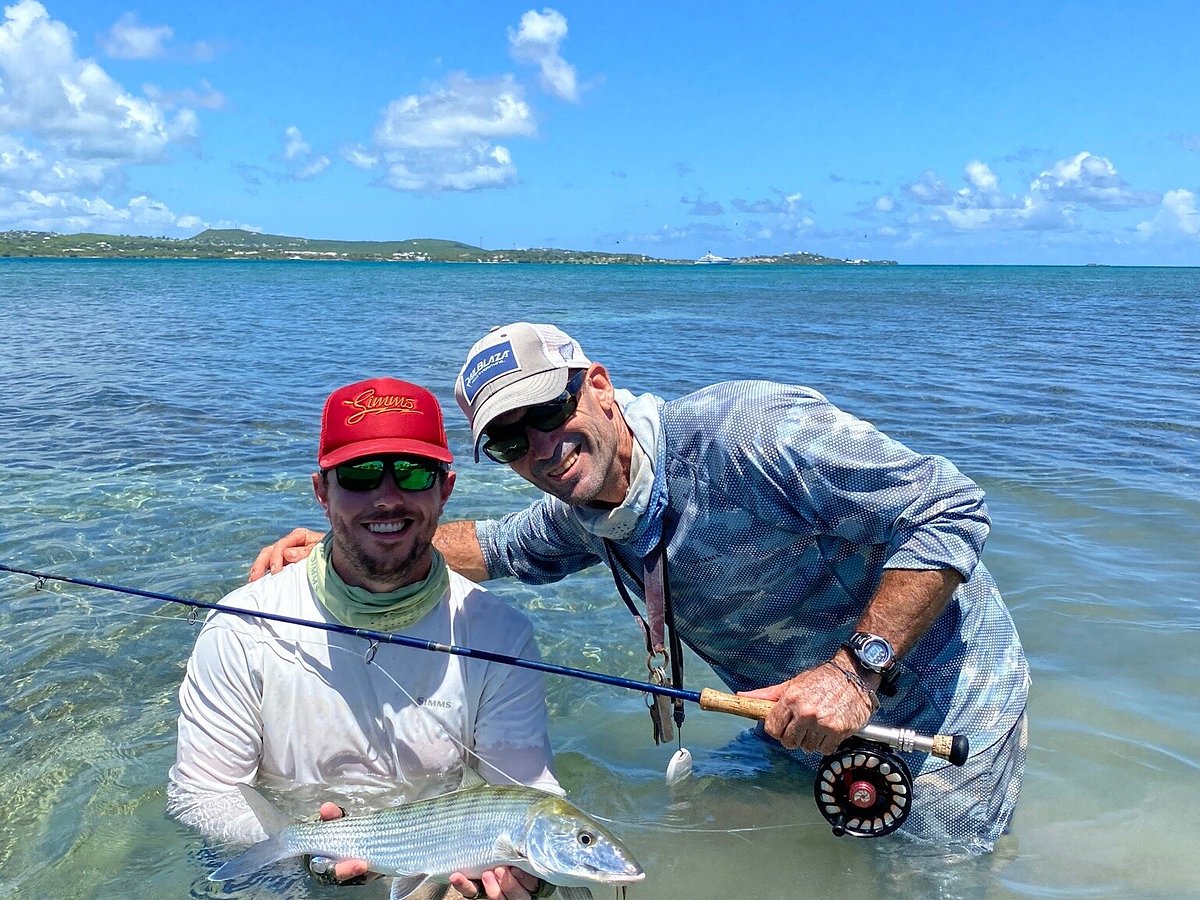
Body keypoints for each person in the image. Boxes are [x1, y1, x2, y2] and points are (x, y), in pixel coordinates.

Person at [252, 324, 1030, 854]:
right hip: (793, 725)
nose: (541, 447)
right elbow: (491, 546)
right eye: (510, 439)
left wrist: (853, 670)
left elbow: (949, 505)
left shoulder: (747, 432)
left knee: (931, 876)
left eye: (549, 410)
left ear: (598, 384)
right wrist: (346, 542)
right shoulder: (588, 513)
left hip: (943, 712)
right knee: (699, 836)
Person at [171, 377, 559, 900]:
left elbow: (524, 794)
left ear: (444, 490)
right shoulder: (243, 627)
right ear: (321, 493)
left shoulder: (501, 635)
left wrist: (519, 881)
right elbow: (200, 795)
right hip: (281, 874)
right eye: (360, 474)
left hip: (436, 874)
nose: (387, 498)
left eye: (415, 473)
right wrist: (315, 844)